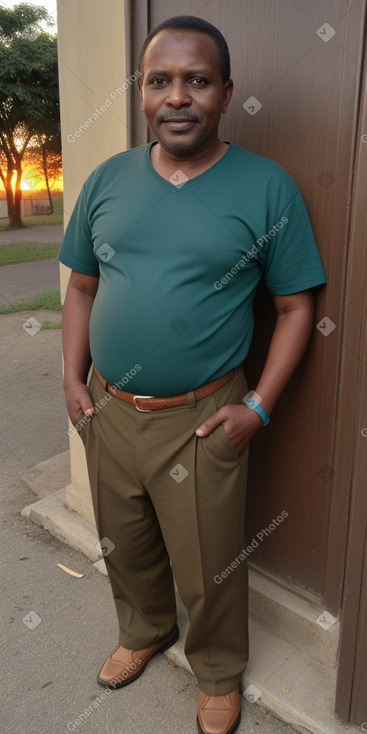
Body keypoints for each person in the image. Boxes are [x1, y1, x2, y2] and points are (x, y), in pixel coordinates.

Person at [58, 15, 326, 734]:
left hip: (203, 417)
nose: (177, 97)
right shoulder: (107, 180)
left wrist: (260, 408)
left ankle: (215, 671)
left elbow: (296, 308)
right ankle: (143, 629)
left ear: (225, 92)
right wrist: (73, 380)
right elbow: (80, 286)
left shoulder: (266, 188)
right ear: (141, 92)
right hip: (108, 409)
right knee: (125, 540)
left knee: (209, 561)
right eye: (159, 82)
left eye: (196, 81)